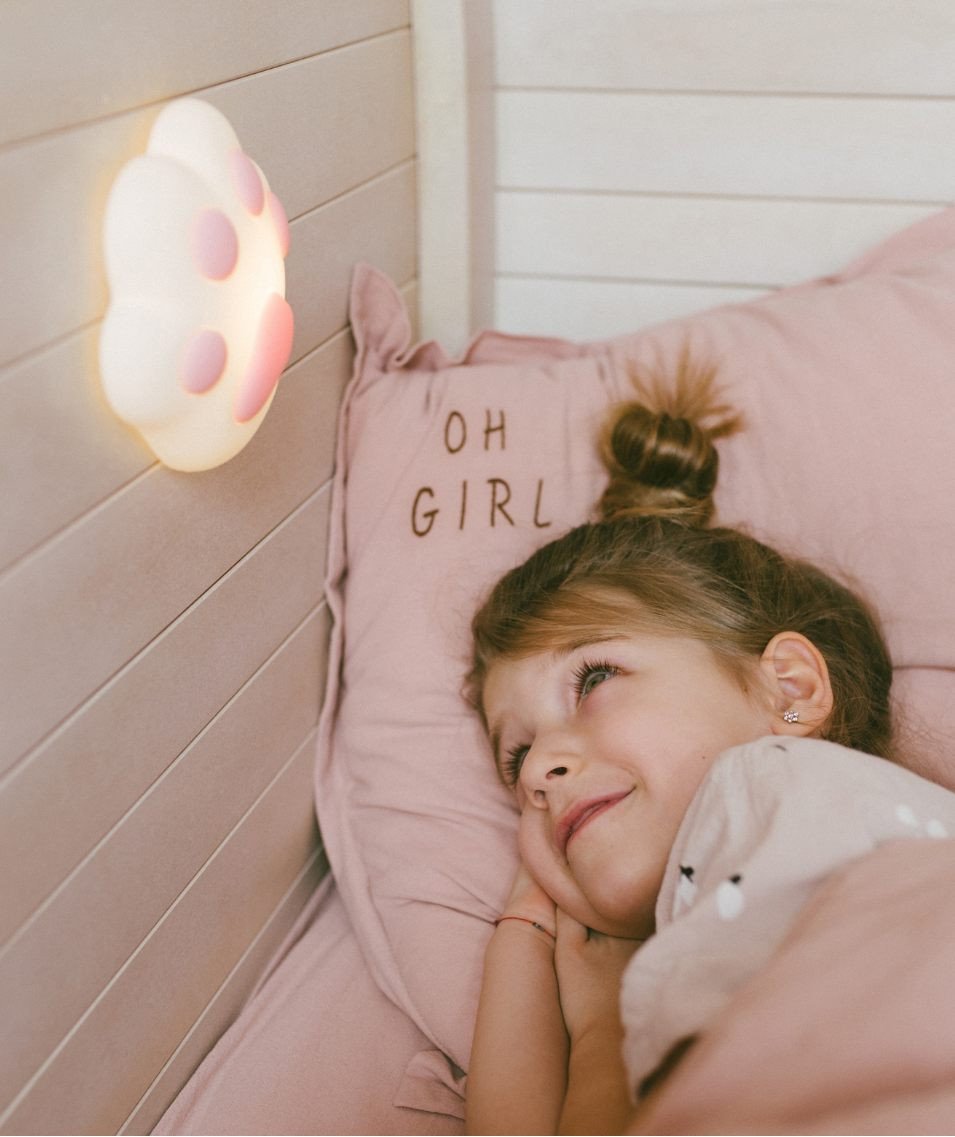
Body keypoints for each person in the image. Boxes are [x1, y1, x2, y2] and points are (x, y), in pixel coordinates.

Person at [461, 356, 946, 1134]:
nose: (540, 774)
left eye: (592, 679)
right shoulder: (701, 939)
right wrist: (566, 987)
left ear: (785, 689)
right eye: (515, 760)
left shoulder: (777, 781)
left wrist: (594, 1032)